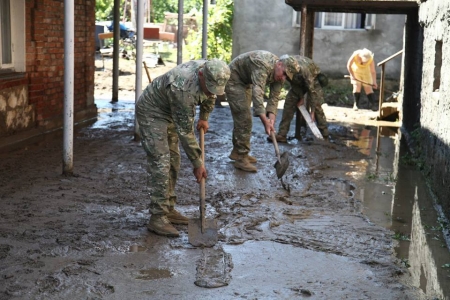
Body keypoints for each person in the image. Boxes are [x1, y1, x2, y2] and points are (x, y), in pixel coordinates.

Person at [136, 59, 230, 237]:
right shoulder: (183, 88)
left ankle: (169, 208)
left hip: (170, 111)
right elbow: (185, 132)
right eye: (208, 86)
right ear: (201, 75)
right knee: (161, 162)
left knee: (174, 160)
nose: (211, 91)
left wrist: (204, 116)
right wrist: (198, 163)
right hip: (152, 112)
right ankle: (157, 216)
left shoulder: (215, 72)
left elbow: (211, 94)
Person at [225, 50, 300, 173]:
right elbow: (258, 94)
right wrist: (265, 121)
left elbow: (274, 99)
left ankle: (237, 151)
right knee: (244, 118)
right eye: (284, 73)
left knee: (243, 117)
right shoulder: (263, 65)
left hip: (246, 81)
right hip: (234, 78)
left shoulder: (280, 76)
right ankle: (241, 158)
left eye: (287, 77)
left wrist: (271, 119)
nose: (284, 77)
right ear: (279, 64)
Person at [274, 55, 329, 143]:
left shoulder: (304, 71)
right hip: (298, 82)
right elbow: (293, 83)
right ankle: (282, 134)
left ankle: (324, 135)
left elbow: (312, 91)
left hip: (313, 80)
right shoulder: (283, 65)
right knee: (289, 102)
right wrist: (301, 97)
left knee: (317, 106)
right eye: (284, 74)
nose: (283, 77)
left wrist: (312, 111)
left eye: (285, 75)